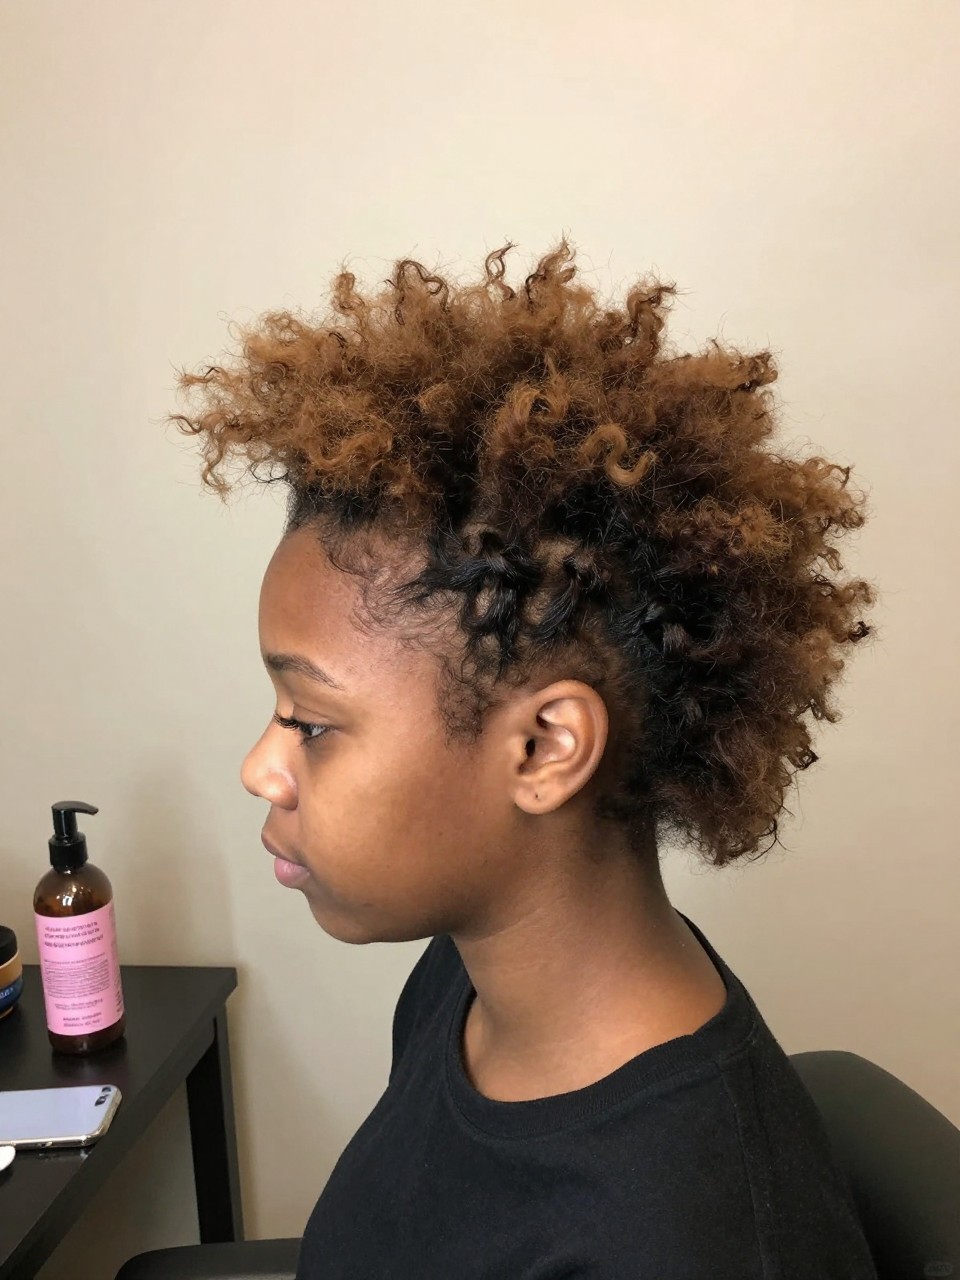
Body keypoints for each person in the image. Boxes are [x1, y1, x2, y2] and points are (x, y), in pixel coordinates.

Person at [170, 239, 880, 1278]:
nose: (260, 768)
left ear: (546, 748)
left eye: (309, 722)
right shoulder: (464, 978)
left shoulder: (688, 1242)